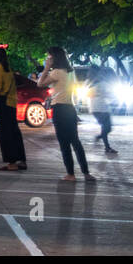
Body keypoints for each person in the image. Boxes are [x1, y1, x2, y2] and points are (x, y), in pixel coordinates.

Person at [36, 46, 94, 181]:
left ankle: (70, 174)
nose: (47, 59)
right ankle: (86, 172)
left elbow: (40, 84)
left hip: (60, 109)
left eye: (49, 57)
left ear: (54, 57)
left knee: (64, 143)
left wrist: (46, 68)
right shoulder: (70, 71)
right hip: (70, 108)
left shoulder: (56, 72)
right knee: (75, 141)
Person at [0, 46, 27, 171]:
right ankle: (21, 160)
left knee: (5, 134)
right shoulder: (8, 70)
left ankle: (11, 163)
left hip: (3, 103)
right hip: (11, 103)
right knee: (14, 132)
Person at [87, 66, 118, 154]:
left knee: (106, 128)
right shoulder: (98, 83)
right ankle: (107, 147)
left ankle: (101, 139)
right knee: (107, 128)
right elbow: (109, 94)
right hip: (101, 108)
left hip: (96, 108)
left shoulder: (91, 83)